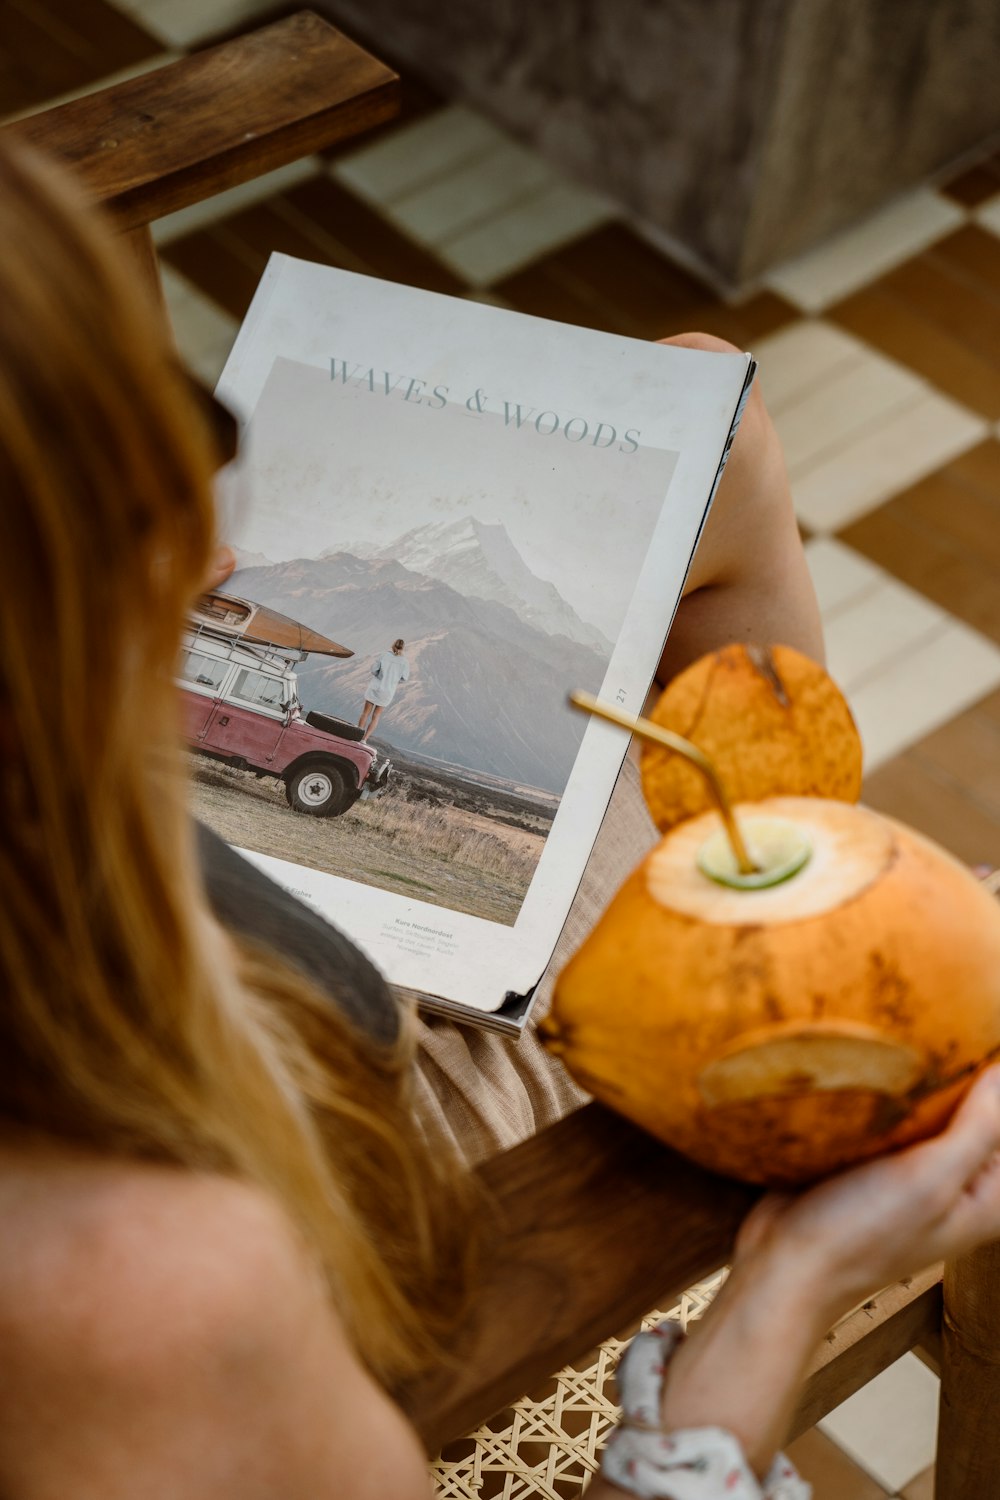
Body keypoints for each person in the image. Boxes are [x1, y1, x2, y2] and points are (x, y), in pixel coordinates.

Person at [3, 133, 1000, 1500]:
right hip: (368, 1170)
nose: (215, 553)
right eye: (132, 509)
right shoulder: (146, 1293)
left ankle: (794, 919)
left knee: (713, 400)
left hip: (178, 964)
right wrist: (782, 1288)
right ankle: (801, 964)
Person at [358, 636, 410, 739]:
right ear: (403, 648)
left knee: (365, 713)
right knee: (376, 716)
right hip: (388, 691)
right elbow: (404, 678)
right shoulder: (404, 662)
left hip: (375, 687)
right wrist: (393, 680)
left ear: (393, 645)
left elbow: (373, 670)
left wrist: (379, 675)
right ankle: (364, 739)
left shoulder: (384, 655)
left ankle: (357, 735)